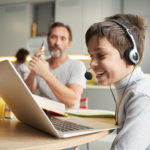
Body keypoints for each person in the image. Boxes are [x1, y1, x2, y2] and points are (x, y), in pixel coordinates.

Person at [85, 13, 150, 150]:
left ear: (130, 56)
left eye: (100, 55)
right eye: (91, 56)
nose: (92, 63)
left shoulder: (142, 95)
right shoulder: (127, 87)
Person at [25, 22, 86, 109]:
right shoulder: (41, 65)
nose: (57, 42)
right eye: (54, 37)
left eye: (63, 38)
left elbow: (72, 101)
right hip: (44, 117)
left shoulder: (77, 66)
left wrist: (46, 74)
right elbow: (27, 95)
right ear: (47, 40)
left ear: (69, 44)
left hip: (70, 119)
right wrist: (33, 71)